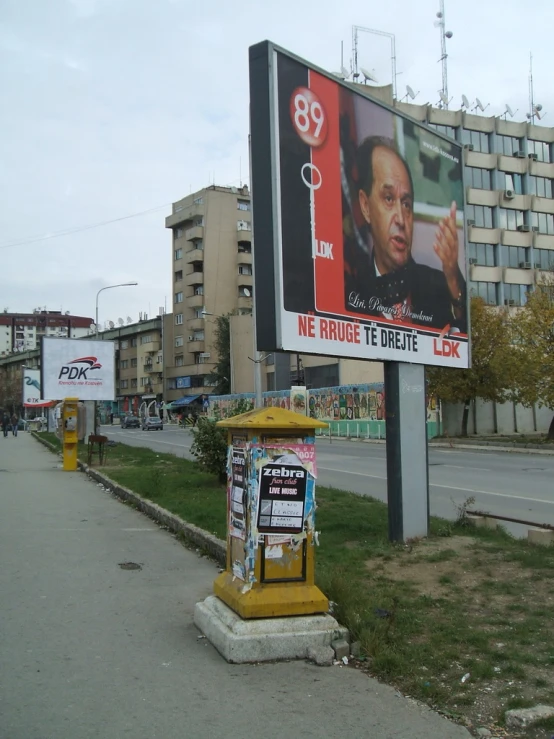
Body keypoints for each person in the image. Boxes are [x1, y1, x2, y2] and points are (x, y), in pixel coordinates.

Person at [346, 135, 466, 332]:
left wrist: (453, 280)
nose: (401, 219)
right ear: (365, 206)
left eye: (406, 204)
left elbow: (465, 339)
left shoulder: (438, 287)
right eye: (388, 198)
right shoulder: (350, 294)